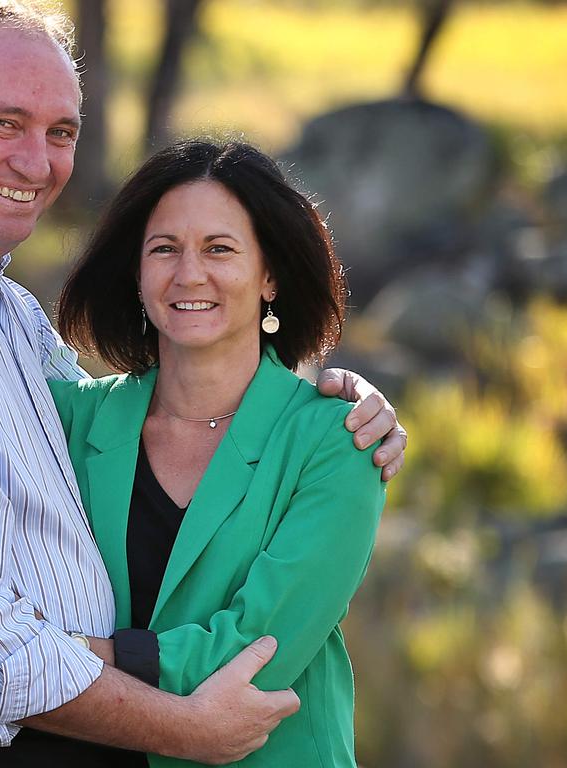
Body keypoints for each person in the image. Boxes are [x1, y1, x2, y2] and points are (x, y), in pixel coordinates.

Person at [0, 2, 405, 766]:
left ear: (271, 275)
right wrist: (186, 729)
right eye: (4, 123)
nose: (37, 163)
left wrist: (336, 396)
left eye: (60, 132)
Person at [49, 139, 387, 768]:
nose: (189, 274)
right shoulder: (67, 419)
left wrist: (63, 661)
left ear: (270, 275)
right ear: (137, 273)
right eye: (164, 250)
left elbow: (259, 649)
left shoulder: (339, 444)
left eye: (219, 249)